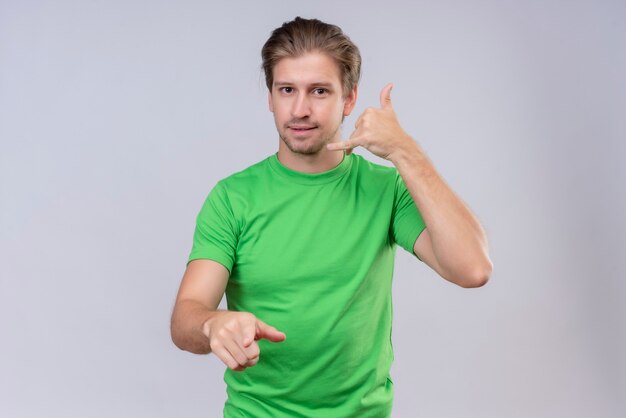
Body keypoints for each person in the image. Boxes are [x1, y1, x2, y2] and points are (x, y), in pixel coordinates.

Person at [170, 16, 492, 417]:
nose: (300, 109)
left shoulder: (385, 189)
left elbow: (472, 268)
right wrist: (212, 324)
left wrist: (404, 150)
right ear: (270, 96)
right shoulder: (232, 198)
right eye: (286, 90)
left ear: (349, 99)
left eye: (319, 91)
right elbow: (186, 316)